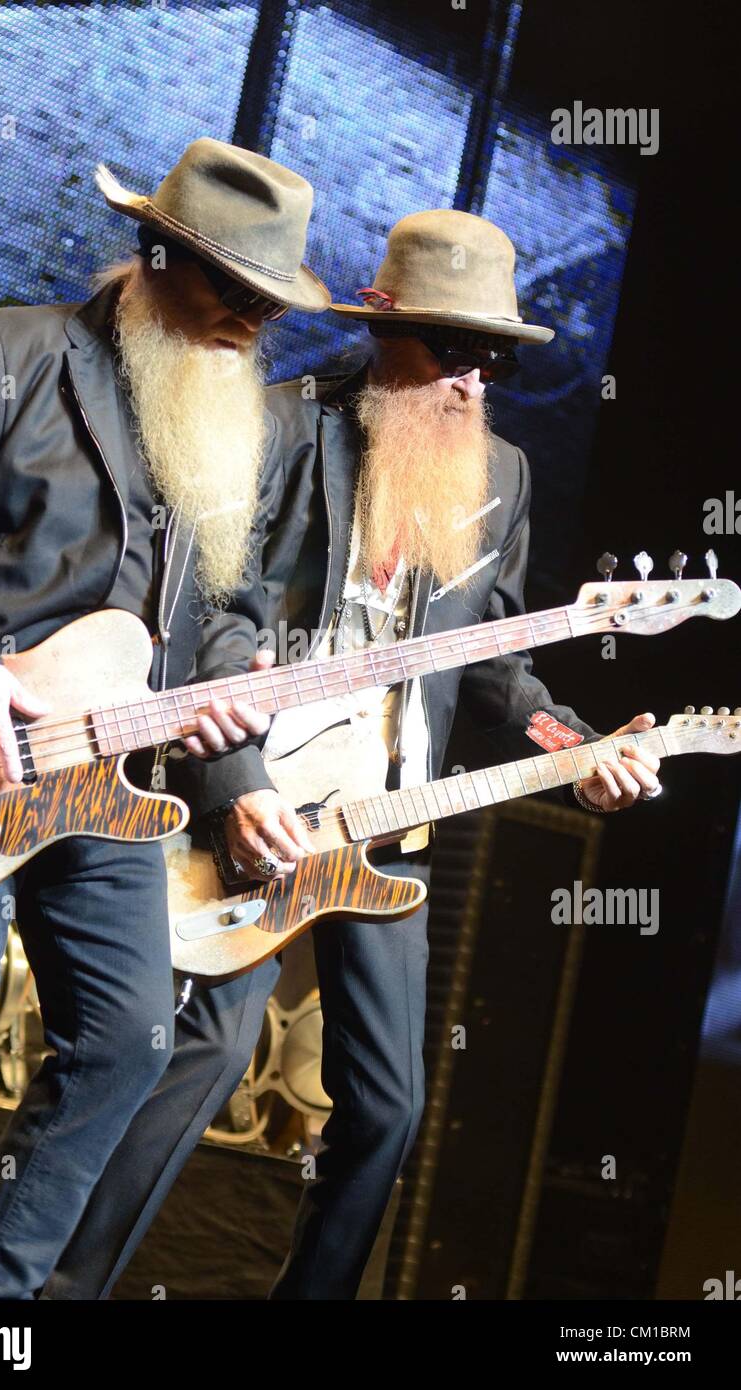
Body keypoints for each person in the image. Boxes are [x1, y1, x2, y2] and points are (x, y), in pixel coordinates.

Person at [42, 209, 660, 1301]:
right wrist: (236, 787)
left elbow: (496, 662)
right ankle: (60, 1295)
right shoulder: (283, 429)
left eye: (493, 357)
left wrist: (575, 742)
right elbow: (211, 612)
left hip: (388, 822)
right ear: (383, 329)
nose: (474, 378)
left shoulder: (501, 478)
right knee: (206, 1059)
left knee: (390, 1107)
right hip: (262, 802)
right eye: (451, 348)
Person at [0, 136, 330, 1300]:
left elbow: (222, 616)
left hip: (114, 778)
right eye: (231, 288)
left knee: (131, 1036)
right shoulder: (13, 350)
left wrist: (242, 772)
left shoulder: (247, 433)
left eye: (266, 304)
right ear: (156, 254)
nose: (247, 322)